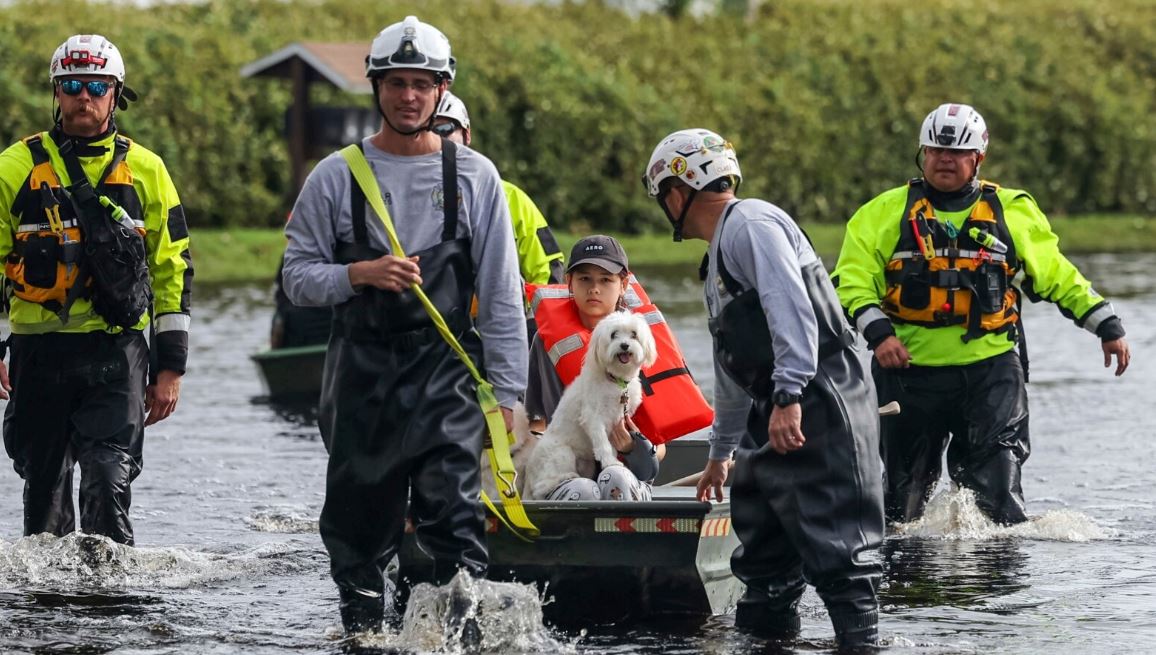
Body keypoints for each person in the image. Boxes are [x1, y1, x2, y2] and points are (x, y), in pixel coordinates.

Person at [280, 16, 527, 634]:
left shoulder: (475, 176)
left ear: (442, 90)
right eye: (396, 83)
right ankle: (365, 636)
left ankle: (460, 639)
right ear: (376, 87)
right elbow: (296, 276)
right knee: (359, 534)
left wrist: (512, 397)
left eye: (422, 83)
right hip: (360, 373)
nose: (409, 95)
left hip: (444, 373)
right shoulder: (335, 176)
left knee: (455, 517)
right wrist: (356, 274)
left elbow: (499, 295)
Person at [833, 103, 1131, 526]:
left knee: (997, 503)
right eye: (936, 150)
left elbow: (1057, 275)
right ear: (923, 153)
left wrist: (1105, 324)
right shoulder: (881, 213)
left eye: (956, 153)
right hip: (908, 374)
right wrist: (880, 335)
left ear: (978, 158)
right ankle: (906, 586)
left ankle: (996, 587)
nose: (944, 160)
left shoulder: (1012, 211)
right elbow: (851, 281)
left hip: (991, 373)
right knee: (901, 505)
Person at [643, 129, 884, 648]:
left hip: (820, 397)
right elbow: (731, 369)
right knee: (765, 568)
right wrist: (721, 452)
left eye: (663, 195)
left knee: (842, 559)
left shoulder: (751, 223)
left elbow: (789, 306)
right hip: (774, 407)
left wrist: (789, 394)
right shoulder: (717, 259)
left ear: (678, 191)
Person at [0, 34, 193, 546]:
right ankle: (49, 614)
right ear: (56, 93)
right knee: (43, 491)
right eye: (72, 87)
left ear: (115, 94)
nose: (83, 97)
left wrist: (170, 367)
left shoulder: (148, 170)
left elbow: (173, 267)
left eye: (95, 87)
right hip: (37, 352)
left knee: (109, 479)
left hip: (116, 352)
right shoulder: (14, 167)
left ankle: (109, 611)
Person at [524, 235, 666, 501]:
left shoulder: (643, 341)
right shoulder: (545, 343)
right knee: (582, 489)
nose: (594, 289)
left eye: (606, 279)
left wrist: (632, 447)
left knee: (614, 477)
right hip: (569, 473)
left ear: (623, 284)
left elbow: (661, 447)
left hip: (627, 474)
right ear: (569, 283)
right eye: (584, 279)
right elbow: (537, 423)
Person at [433, 90, 565, 286]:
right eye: (424, 131)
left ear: (466, 134)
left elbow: (546, 272)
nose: (434, 139)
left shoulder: (510, 197)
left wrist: (523, 315)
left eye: (443, 128)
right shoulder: (401, 195)